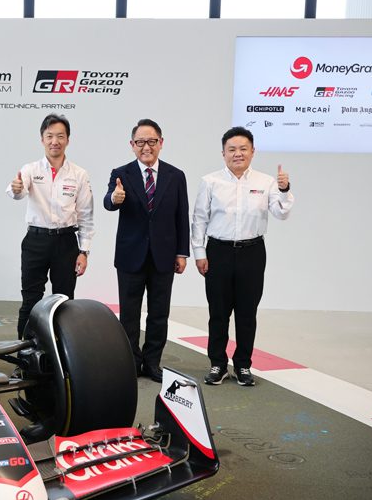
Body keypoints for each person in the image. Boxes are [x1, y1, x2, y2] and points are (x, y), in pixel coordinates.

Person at [191, 126, 294, 387]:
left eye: (243, 149)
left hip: (253, 252)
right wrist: (199, 252)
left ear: (252, 151)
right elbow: (199, 219)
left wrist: (284, 190)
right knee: (218, 312)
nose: (238, 154)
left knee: (247, 313)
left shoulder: (266, 182)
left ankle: (243, 365)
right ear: (223, 153)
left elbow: (281, 213)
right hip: (218, 252)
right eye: (232, 149)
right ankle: (217, 364)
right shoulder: (210, 181)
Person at [103, 118, 189, 384]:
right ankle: (131, 361)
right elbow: (109, 201)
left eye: (151, 141)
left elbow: (181, 216)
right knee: (129, 314)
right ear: (132, 145)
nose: (146, 147)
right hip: (131, 256)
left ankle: (152, 363)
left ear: (161, 143)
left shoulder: (176, 176)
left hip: (164, 256)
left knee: (159, 313)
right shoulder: (121, 173)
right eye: (140, 142)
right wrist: (115, 198)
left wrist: (181, 253)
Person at [7, 114, 94, 339]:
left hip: (66, 243)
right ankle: (25, 353)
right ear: (42, 139)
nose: (55, 141)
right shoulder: (30, 169)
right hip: (35, 242)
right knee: (31, 299)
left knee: (64, 302)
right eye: (50, 136)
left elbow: (86, 216)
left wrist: (84, 252)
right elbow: (18, 191)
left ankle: (62, 354)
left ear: (68, 140)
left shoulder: (79, 174)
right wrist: (16, 188)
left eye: (60, 136)